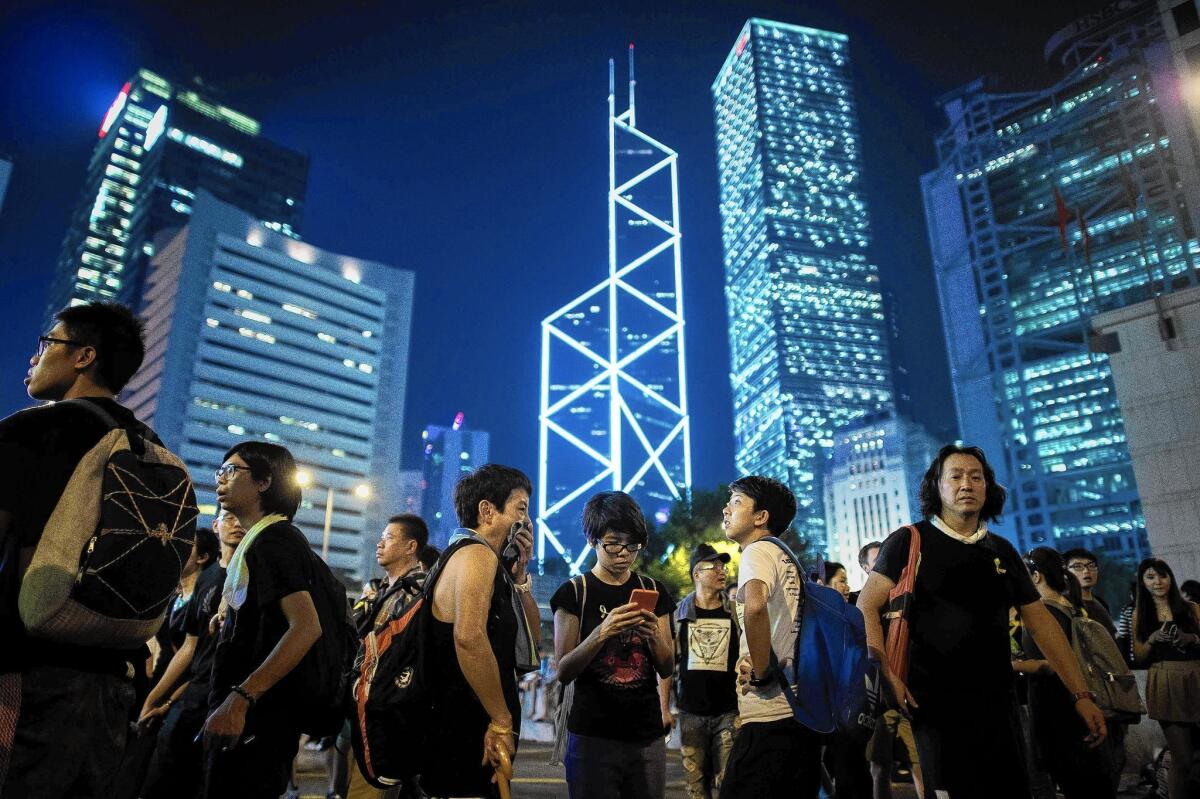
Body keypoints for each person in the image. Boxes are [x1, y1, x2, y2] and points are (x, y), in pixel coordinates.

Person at [857, 445, 1106, 799]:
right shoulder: (910, 541)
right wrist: (887, 673)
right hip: (933, 706)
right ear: (937, 487)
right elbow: (866, 606)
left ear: (988, 487)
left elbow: (1044, 626)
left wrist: (1081, 694)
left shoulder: (1002, 551)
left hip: (999, 706)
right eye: (955, 476)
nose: (966, 484)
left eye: (976, 477)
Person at [0, 302, 161, 796]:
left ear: (83, 356)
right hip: (115, 680)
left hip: (26, 674)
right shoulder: (148, 444)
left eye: (48, 343)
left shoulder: (31, 430)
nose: (35, 355)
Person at [200, 442, 324, 798]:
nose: (221, 479)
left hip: (255, 725)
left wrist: (240, 699)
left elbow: (306, 626)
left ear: (264, 482)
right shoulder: (265, 540)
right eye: (219, 471)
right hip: (251, 721)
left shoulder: (273, 541)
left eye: (231, 471)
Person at [422, 464, 540, 799]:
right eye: (520, 509)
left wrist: (520, 574)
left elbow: (532, 642)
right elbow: (469, 637)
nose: (527, 522)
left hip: (471, 722)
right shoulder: (476, 556)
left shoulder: (492, 563)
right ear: (487, 511)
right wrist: (501, 719)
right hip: (466, 727)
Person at [551, 490, 676, 799]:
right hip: (593, 736)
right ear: (593, 540)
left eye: (633, 544)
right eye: (614, 543)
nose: (624, 553)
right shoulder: (574, 593)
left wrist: (654, 635)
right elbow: (563, 670)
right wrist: (602, 632)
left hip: (646, 736)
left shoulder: (652, 589)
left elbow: (667, 665)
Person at [718, 475, 821, 799]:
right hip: (801, 710)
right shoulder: (787, 558)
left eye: (736, 502)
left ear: (761, 517)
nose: (726, 509)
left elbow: (756, 606)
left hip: (769, 713)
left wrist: (762, 673)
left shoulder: (757, 551)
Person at [139, 511, 244, 798]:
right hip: (192, 698)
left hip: (223, 698)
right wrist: (154, 699)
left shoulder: (250, 577)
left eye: (241, 518)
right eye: (229, 517)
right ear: (216, 524)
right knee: (160, 778)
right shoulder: (208, 578)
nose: (236, 524)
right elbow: (189, 647)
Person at [1014, 547, 1116, 798]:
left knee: (1076, 781)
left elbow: (1050, 664)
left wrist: (1014, 665)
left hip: (1059, 707)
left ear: (1036, 576)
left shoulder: (1044, 614)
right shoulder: (1073, 606)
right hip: (1083, 700)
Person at [667, 544, 739, 799]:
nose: (722, 572)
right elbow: (667, 663)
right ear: (697, 574)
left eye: (723, 566)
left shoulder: (735, 612)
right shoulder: (678, 614)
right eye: (714, 567)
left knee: (728, 783)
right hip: (690, 713)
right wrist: (664, 707)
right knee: (696, 787)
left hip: (729, 713)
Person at [1132, 557, 1200, 799]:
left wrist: (1191, 638)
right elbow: (1138, 657)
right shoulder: (1140, 613)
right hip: (1164, 681)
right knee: (1182, 757)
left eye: (1163, 576)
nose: (1158, 582)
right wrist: (1151, 639)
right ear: (1142, 581)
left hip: (1195, 675)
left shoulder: (1191, 608)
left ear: (1170, 578)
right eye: (1150, 577)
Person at [1062, 548, 1116, 638]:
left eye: (1091, 565)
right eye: (1078, 566)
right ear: (1065, 574)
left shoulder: (1101, 603)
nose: (1086, 571)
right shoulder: (1065, 605)